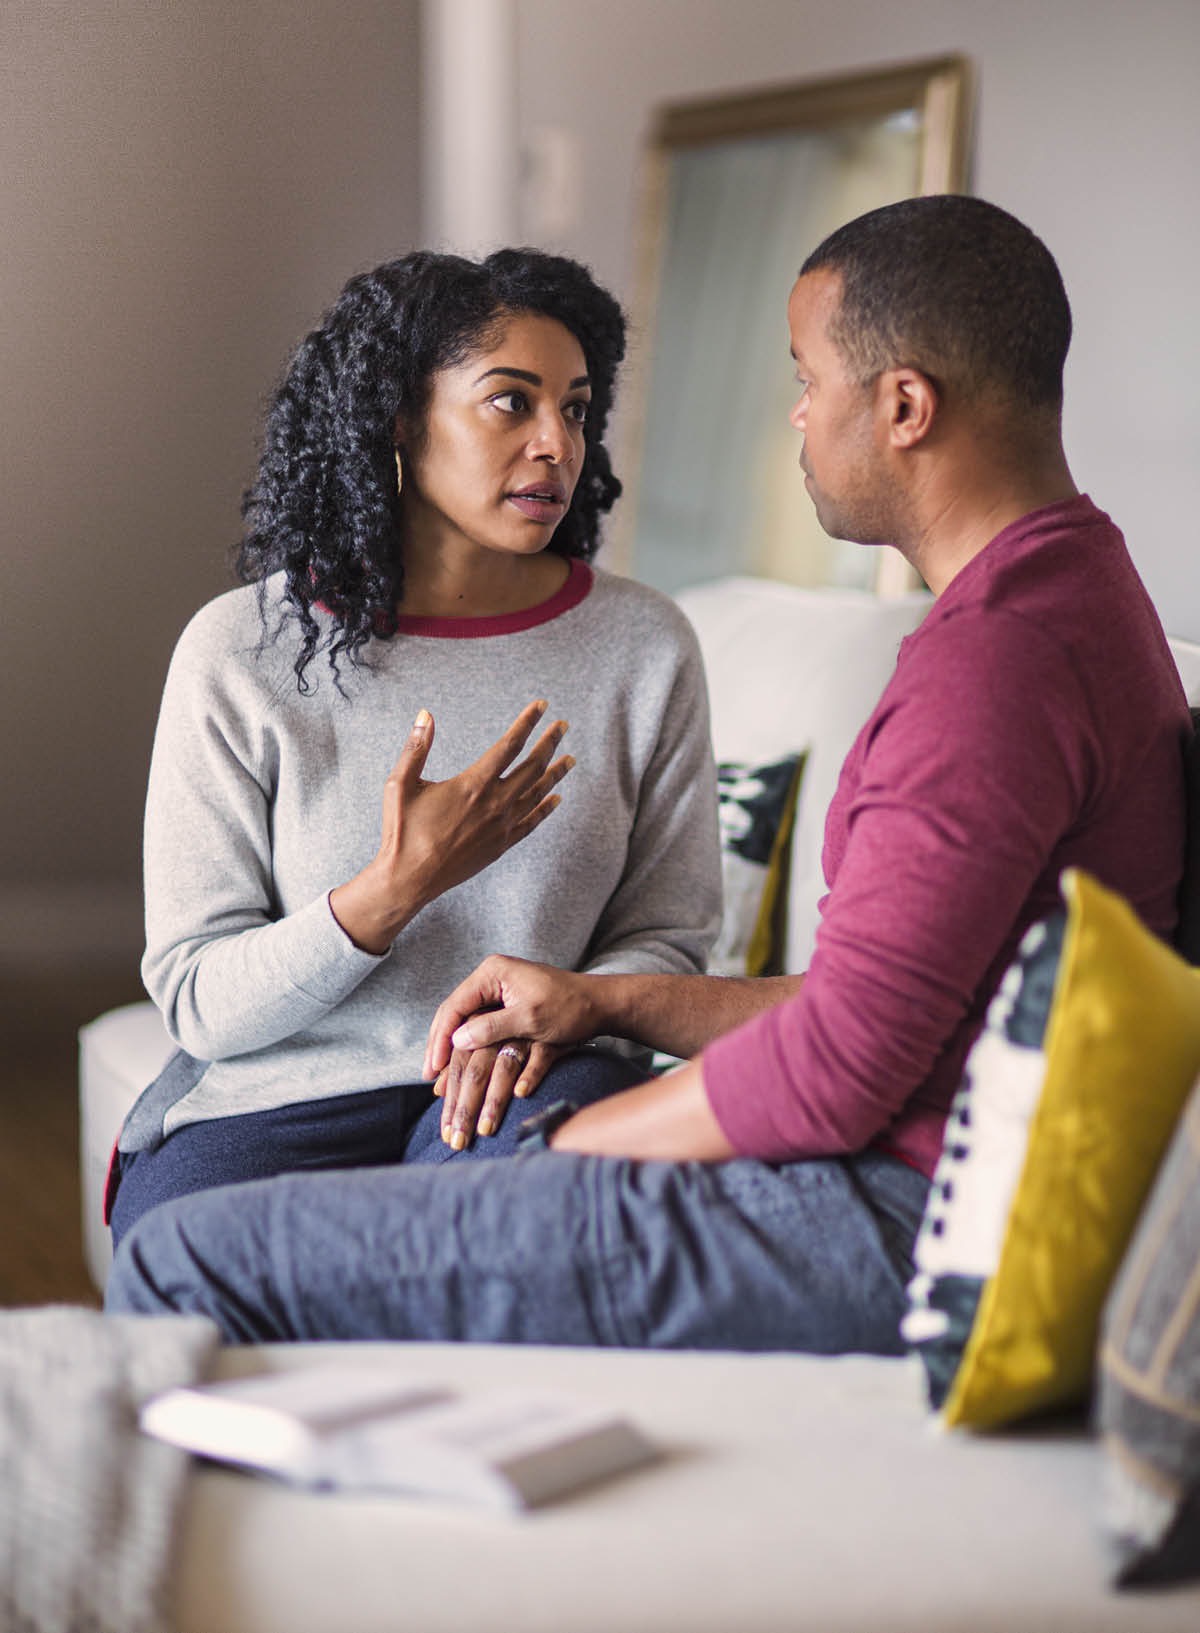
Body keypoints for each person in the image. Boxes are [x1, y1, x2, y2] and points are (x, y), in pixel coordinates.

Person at [107, 197, 1190, 1354]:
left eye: (809, 378)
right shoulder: (1075, 594)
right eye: (511, 403)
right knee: (193, 1222)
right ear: (395, 423)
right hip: (913, 1161)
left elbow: (837, 1065)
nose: (797, 413)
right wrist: (418, 909)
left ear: (905, 407)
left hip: (903, 1209)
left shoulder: (988, 666)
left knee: (199, 1262)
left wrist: (550, 1158)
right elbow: (870, 1015)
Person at [105, 248, 721, 1247]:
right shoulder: (239, 653)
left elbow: (668, 937)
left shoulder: (642, 647)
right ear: (400, 418)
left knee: (500, 1240)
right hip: (278, 1091)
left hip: (529, 1071)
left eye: (575, 407)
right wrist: (392, 888)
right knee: (186, 1255)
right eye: (511, 403)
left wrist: (545, 1013)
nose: (556, 443)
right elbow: (196, 1000)